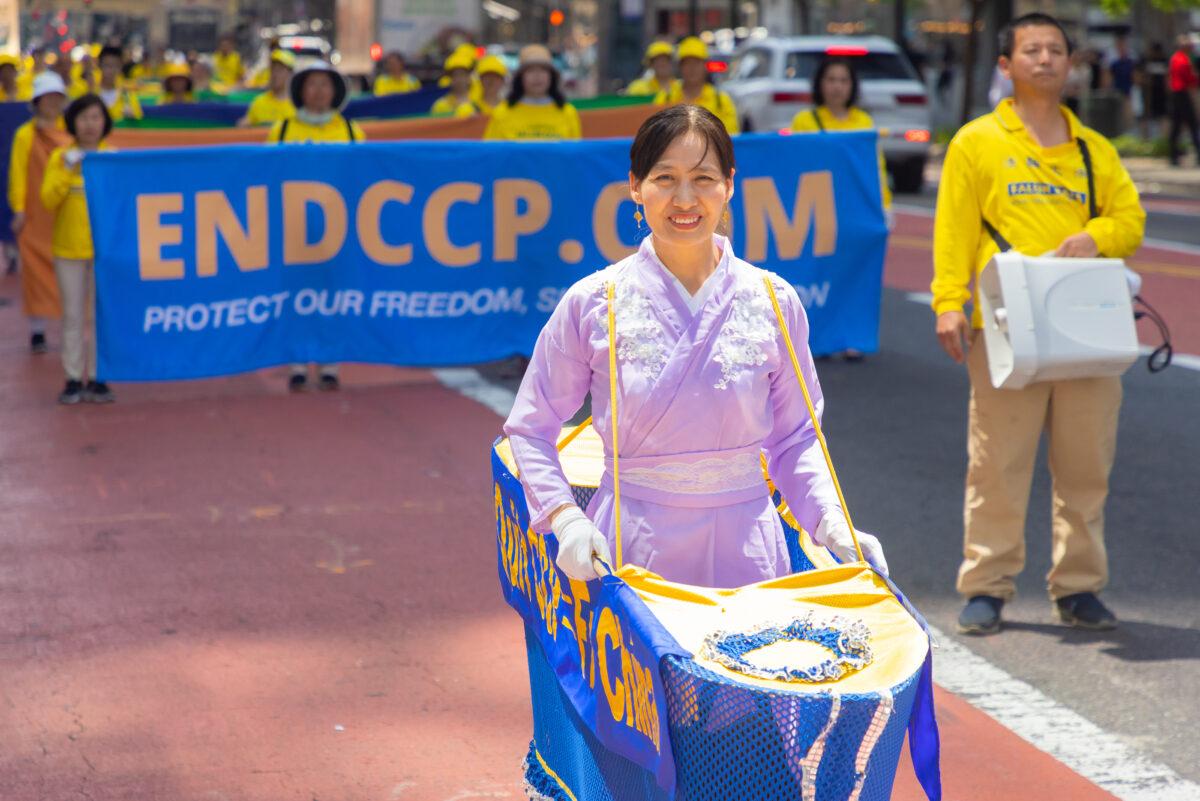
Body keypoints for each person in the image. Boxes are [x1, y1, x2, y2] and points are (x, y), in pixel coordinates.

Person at [504, 104, 887, 587]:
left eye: (703, 178)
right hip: (631, 554)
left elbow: (797, 438)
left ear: (729, 185)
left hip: (750, 552)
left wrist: (831, 520)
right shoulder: (593, 302)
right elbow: (531, 428)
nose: (684, 199)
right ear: (635, 188)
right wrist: (566, 518)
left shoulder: (774, 299)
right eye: (665, 178)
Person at [932, 13, 1145, 635]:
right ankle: (987, 586)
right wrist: (950, 302)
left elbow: (1129, 221)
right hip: (1004, 326)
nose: (1046, 59)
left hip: (1084, 331)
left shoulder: (1093, 149)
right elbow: (954, 231)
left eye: (1056, 50)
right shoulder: (977, 142)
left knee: (1086, 466)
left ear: (1071, 64)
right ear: (1007, 65)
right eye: (1032, 50)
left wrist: (1096, 235)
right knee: (997, 463)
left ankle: (1079, 587)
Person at [267, 61, 365, 392]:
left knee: (334, 296)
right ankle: (297, 362)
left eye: (325, 84)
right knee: (295, 295)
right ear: (301, 90)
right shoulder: (281, 130)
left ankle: (329, 364)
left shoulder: (352, 131)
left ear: (335, 91)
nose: (319, 91)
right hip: (292, 229)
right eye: (312, 84)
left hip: (338, 233)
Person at [790, 56, 892, 362]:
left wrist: (884, 205)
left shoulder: (863, 122)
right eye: (831, 80)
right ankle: (817, 337)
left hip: (855, 211)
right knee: (819, 273)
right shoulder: (805, 121)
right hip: (817, 210)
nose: (837, 87)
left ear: (852, 86)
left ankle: (850, 338)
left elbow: (875, 166)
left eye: (843, 80)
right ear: (820, 84)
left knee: (852, 273)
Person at [40, 94, 114, 405]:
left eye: (96, 117)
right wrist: (67, 170)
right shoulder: (61, 158)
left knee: (101, 317)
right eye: (83, 118)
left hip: (103, 254)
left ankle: (98, 377)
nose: (89, 124)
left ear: (104, 122)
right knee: (72, 316)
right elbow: (47, 200)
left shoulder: (113, 157)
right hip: (68, 251)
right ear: (73, 123)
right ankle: (72, 378)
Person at [9, 72, 69, 354]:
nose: (52, 102)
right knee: (35, 272)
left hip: (65, 212)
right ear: (37, 101)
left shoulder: (69, 131)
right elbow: (17, 174)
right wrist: (18, 209)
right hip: (35, 214)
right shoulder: (24, 135)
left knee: (67, 270)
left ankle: (70, 324)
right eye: (47, 98)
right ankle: (38, 331)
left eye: (57, 97)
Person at [484, 45, 581, 140]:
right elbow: (491, 154)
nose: (537, 75)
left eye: (543, 70)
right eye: (530, 70)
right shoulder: (502, 114)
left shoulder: (568, 113)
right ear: (520, 77)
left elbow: (575, 154)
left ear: (552, 76)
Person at [653, 37, 738, 134]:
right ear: (680, 67)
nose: (692, 68)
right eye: (687, 63)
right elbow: (657, 136)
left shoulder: (721, 101)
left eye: (696, 63)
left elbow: (730, 138)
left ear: (705, 66)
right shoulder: (665, 98)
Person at [239, 49, 296, 126]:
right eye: (273, 69)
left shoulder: (297, 105)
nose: (275, 74)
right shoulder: (259, 101)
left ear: (290, 74)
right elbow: (245, 124)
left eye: (280, 70)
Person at [1167, 36, 1200, 167]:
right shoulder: (1183, 60)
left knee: (1176, 126)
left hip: (1176, 94)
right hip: (1182, 94)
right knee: (1192, 124)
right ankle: (1197, 153)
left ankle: (1173, 156)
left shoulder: (1175, 58)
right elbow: (1190, 79)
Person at [95, 45, 142, 122]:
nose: (111, 70)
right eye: (107, 65)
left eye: (115, 66)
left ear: (120, 67)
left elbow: (139, 124)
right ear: (99, 66)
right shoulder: (90, 94)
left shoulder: (128, 96)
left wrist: (133, 118)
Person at [431, 51, 480, 117]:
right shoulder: (441, 105)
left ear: (468, 77)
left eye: (462, 75)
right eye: (455, 75)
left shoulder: (479, 101)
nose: (459, 79)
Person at [1138, 42, 1170, 139]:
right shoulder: (1144, 60)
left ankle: (1163, 139)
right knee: (1145, 117)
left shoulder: (1165, 60)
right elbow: (1137, 75)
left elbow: (1168, 77)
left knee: (1163, 117)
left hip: (1161, 94)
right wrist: (1145, 81)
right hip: (1147, 94)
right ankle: (1145, 139)